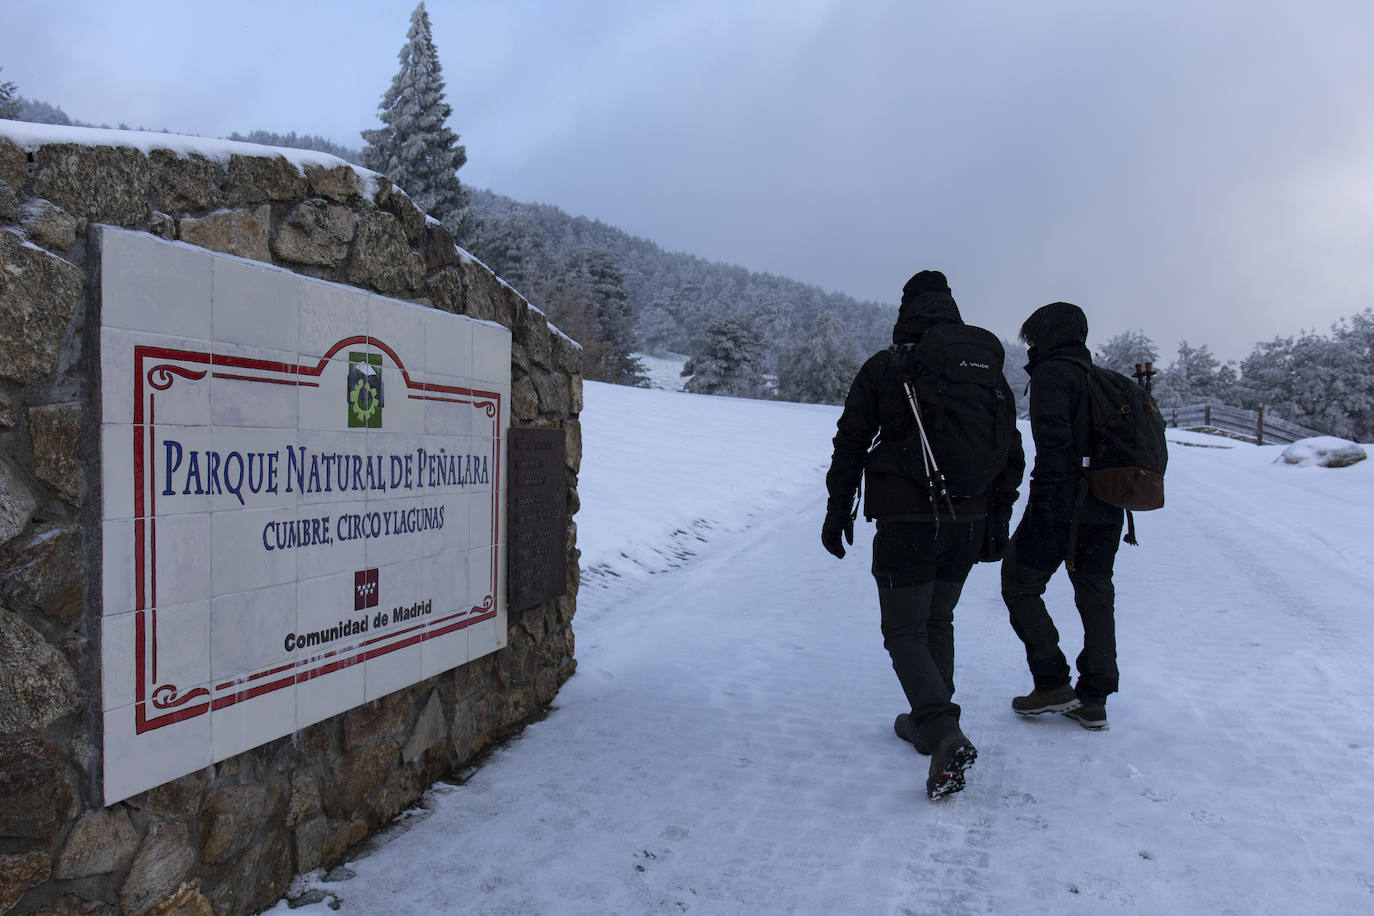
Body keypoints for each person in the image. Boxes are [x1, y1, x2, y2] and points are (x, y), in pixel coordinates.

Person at [822, 270, 1024, 799]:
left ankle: (940, 727)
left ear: (906, 310)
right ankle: (927, 719)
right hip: (970, 520)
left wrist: (837, 506)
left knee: (903, 631)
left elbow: (851, 441)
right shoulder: (987, 376)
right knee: (937, 618)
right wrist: (996, 517)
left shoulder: (888, 367)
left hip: (907, 520)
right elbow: (1011, 450)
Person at [1000, 301, 1123, 730]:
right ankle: (1095, 696)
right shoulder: (1102, 379)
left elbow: (1054, 451)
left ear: (1047, 335)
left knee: (1018, 583)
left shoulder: (1055, 375)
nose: (1030, 345)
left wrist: (1042, 509)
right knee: (1094, 593)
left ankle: (1052, 681)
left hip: (1062, 504)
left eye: (1032, 337)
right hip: (1109, 505)